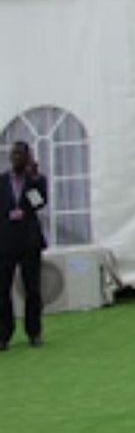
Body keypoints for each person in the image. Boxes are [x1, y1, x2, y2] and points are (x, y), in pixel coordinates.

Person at [1, 142, 49, 350]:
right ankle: (3, 335)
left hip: (29, 242)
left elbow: (39, 204)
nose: (16, 158)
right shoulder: (2, 181)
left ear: (28, 157)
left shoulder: (36, 180)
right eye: (13, 154)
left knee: (33, 289)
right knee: (2, 291)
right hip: (5, 243)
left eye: (20, 154)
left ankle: (34, 332)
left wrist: (34, 180)